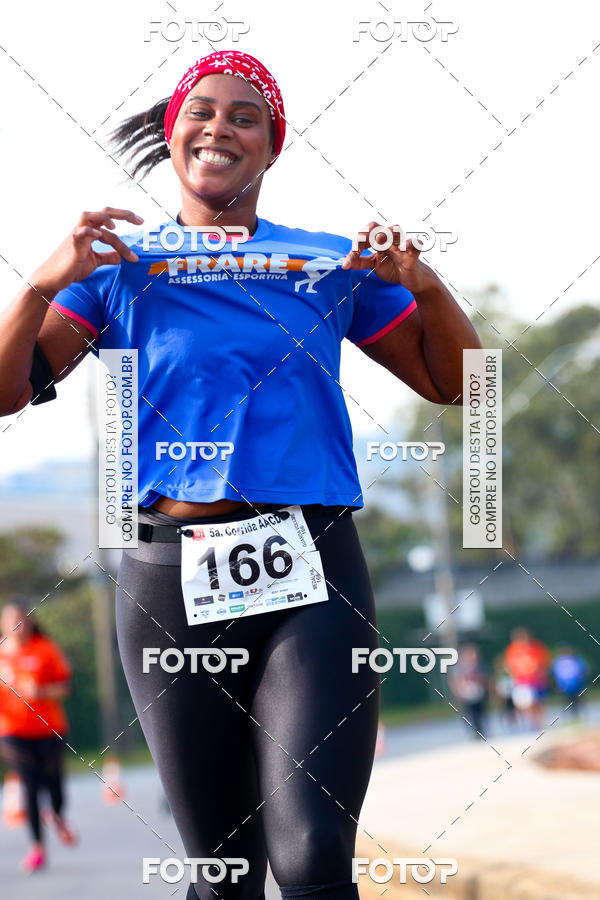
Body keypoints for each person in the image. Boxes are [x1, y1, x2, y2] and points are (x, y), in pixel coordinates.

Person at [0, 50, 481, 900]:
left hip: (312, 570)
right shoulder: (114, 265)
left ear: (271, 147)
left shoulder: (323, 263)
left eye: (244, 116)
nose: (219, 127)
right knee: (225, 875)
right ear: (174, 134)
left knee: (312, 857)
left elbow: (462, 384)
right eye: (202, 111)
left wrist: (426, 286)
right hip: (169, 577)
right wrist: (40, 285)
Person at [0, 601, 77, 872]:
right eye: (12, 620)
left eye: (21, 620)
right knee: (30, 784)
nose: (17, 626)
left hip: (49, 728)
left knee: (53, 781)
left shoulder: (45, 649)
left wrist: (41, 692)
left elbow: (66, 688)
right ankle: (37, 848)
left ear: (30, 623)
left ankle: (56, 814)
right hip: (12, 731)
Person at [504, 627, 552, 728]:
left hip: (537, 680)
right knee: (526, 704)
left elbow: (544, 663)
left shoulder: (537, 647)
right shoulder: (512, 650)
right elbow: (509, 666)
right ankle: (532, 723)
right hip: (522, 681)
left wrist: (542, 674)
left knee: (539, 703)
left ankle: (539, 723)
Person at [447, 643, 489, 739]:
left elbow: (485, 678)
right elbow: (453, 680)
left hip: (478, 694)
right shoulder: (458, 667)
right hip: (465, 696)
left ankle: (481, 732)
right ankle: (474, 733)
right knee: (469, 715)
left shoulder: (479, 666)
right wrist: (457, 692)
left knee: (480, 714)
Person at [552, 645, 588, 717]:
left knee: (577, 700)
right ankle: (568, 716)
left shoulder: (576, 659)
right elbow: (557, 673)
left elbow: (583, 670)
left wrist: (581, 679)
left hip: (576, 684)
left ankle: (578, 715)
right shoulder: (559, 661)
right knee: (566, 701)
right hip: (565, 685)